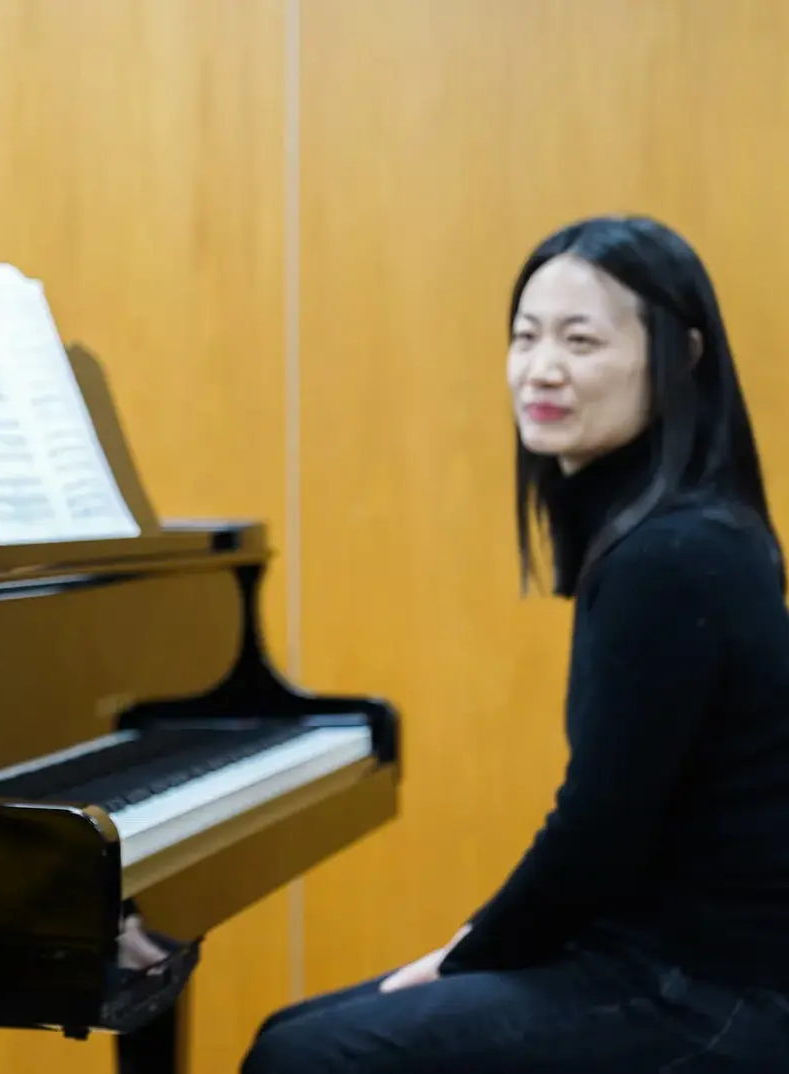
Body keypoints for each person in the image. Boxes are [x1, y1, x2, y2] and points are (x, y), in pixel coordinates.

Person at [241, 215, 789, 1072]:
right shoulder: (679, 531)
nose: (542, 368)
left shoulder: (674, 554)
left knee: (311, 1057)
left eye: (581, 340)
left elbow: (596, 831)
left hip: (708, 993)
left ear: (682, 357)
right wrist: (474, 951)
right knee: (291, 1038)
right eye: (525, 336)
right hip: (664, 960)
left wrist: (466, 954)